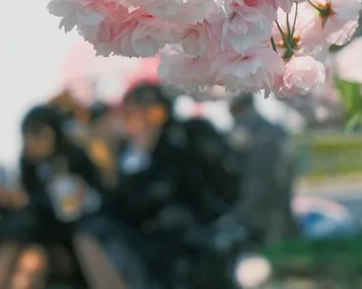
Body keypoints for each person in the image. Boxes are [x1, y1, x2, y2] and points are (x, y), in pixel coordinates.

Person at [74, 83, 239, 289]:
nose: (127, 122)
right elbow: (121, 205)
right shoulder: (128, 151)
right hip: (153, 244)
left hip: (195, 236)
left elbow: (165, 193)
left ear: (156, 113)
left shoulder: (186, 137)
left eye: (131, 115)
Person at [0, 105, 104, 289]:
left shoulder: (73, 161)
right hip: (41, 241)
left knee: (28, 260)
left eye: (38, 135)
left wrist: (24, 201)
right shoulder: (31, 166)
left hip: (74, 244)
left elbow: (66, 213)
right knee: (21, 256)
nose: (32, 143)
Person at [226, 94, 299, 245]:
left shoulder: (246, 129)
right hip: (278, 183)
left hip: (258, 185)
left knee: (263, 224)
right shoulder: (274, 128)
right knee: (279, 219)